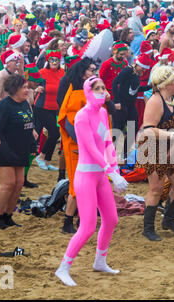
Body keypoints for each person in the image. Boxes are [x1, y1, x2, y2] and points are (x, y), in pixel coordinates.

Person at [55, 76, 128, 286]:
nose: (101, 91)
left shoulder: (103, 113)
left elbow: (107, 143)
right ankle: (63, 267)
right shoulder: (81, 116)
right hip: (86, 175)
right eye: (96, 88)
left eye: (103, 87)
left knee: (111, 219)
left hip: (101, 175)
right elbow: (89, 147)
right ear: (88, 91)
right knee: (87, 226)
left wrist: (114, 170)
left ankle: (100, 260)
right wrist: (110, 171)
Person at [136, 65, 174, 241]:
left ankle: (169, 219)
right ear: (166, 84)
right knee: (156, 188)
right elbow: (149, 130)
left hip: (172, 146)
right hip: (153, 146)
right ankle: (148, 228)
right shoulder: (155, 101)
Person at [57, 58, 102, 233]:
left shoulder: (86, 92)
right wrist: (86, 142)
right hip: (78, 145)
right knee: (78, 185)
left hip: (87, 145)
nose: (94, 73)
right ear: (83, 73)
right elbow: (70, 123)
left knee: (87, 184)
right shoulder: (76, 94)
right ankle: (68, 221)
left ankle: (80, 220)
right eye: (91, 70)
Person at [0, 74, 35, 229]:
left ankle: (8, 215)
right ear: (15, 89)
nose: (27, 90)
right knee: (8, 184)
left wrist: (33, 145)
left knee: (18, 184)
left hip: (21, 150)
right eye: (24, 87)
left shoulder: (25, 104)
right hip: (4, 151)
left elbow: (29, 126)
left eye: (27, 87)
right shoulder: (3, 106)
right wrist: (7, 151)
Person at [35, 50, 65, 171]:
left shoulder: (62, 73)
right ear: (48, 61)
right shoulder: (42, 72)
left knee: (52, 133)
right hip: (41, 107)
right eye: (51, 60)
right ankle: (41, 157)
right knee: (54, 133)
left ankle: (47, 161)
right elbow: (31, 83)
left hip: (54, 108)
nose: (54, 62)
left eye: (56, 60)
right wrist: (37, 88)